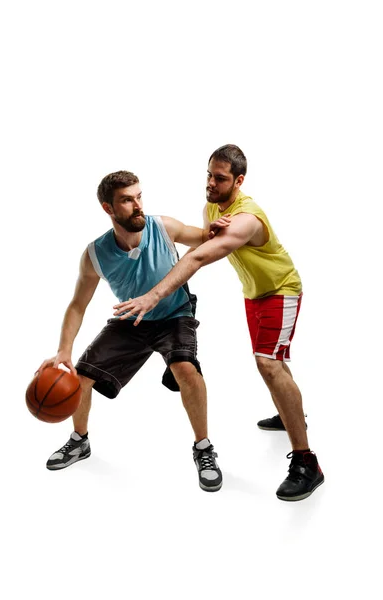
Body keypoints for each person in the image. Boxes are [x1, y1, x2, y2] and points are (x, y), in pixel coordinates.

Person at [113, 146, 324, 502]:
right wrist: (211, 230)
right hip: (255, 293)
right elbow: (206, 238)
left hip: (280, 290)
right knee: (274, 359)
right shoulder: (213, 205)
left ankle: (307, 463)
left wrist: (152, 296)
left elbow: (198, 256)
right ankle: (292, 412)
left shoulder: (248, 218)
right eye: (209, 174)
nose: (211, 183)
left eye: (221, 178)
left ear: (239, 181)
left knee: (267, 363)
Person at [37, 170, 229, 492]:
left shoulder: (162, 227)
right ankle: (79, 441)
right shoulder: (95, 254)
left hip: (174, 314)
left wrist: (218, 227)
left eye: (139, 196)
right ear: (108, 208)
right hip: (132, 320)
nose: (137, 205)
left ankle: (203, 449)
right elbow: (77, 305)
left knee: (185, 368)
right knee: (79, 377)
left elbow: (205, 238)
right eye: (127, 200)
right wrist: (64, 350)